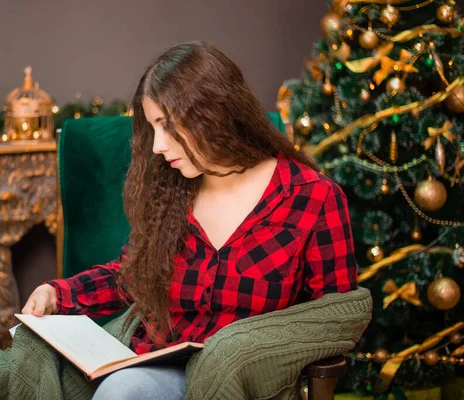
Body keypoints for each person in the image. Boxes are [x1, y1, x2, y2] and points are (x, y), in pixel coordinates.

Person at [21, 41, 358, 400]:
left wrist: (236, 349)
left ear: (214, 113)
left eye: (166, 126)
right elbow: (130, 276)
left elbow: (330, 319)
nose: (157, 146)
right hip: (157, 370)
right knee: (123, 390)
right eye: (153, 129)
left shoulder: (312, 198)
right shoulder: (172, 191)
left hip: (249, 389)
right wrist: (58, 294)